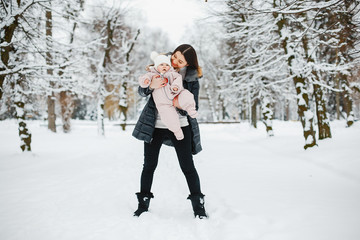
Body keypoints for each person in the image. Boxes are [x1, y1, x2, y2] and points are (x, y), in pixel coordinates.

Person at [132, 44, 208, 219]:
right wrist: (151, 85)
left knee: (187, 166)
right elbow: (141, 90)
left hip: (180, 126)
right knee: (149, 165)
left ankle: (199, 207)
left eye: (180, 61)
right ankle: (143, 204)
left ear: (187, 64)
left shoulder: (191, 79)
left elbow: (192, 104)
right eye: (174, 56)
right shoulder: (160, 65)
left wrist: (175, 100)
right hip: (155, 126)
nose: (174, 61)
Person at [138, 51, 198, 140]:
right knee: (169, 118)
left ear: (187, 63)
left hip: (176, 96)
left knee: (186, 95)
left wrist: (176, 87)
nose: (164, 67)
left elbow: (178, 79)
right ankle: (177, 131)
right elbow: (142, 86)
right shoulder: (151, 74)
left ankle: (190, 109)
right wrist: (148, 84)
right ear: (156, 66)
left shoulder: (173, 73)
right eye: (161, 65)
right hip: (163, 105)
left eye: (166, 65)